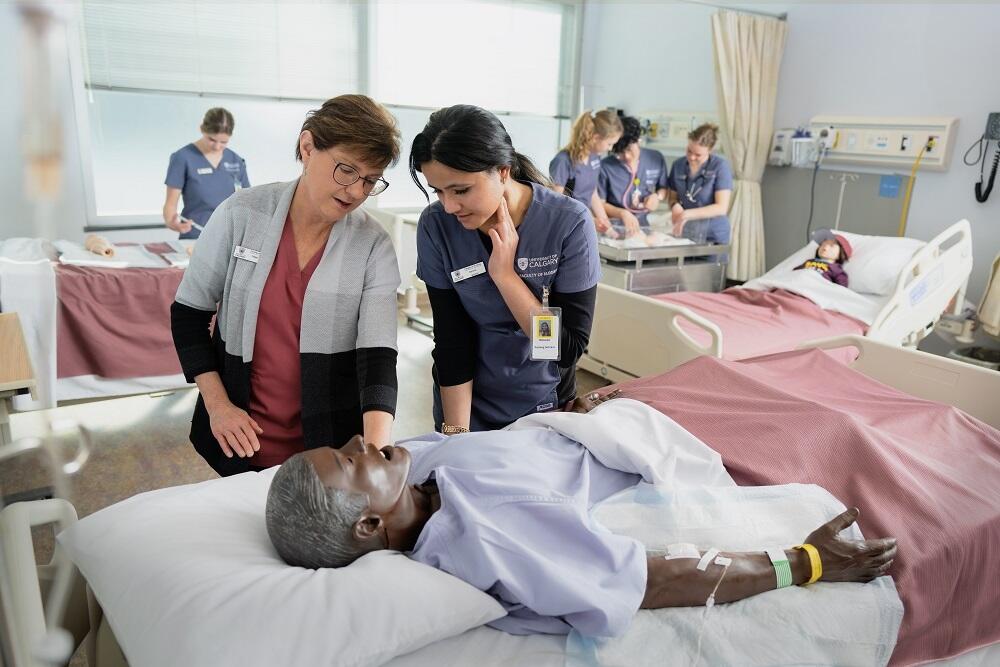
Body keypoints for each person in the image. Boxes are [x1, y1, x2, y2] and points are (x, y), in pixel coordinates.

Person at [264, 392, 897, 639]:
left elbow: (509, 445)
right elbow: (652, 579)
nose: (360, 443)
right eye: (351, 462)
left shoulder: (417, 469)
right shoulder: (489, 530)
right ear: (369, 526)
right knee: (856, 427)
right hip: (685, 445)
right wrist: (805, 562)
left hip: (613, 419)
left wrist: (569, 413)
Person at [170, 95, 402, 476]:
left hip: (328, 451)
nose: (356, 191)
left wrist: (376, 459)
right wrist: (219, 405)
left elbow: (377, 359)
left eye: (370, 180)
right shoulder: (241, 213)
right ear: (308, 147)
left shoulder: (372, 245)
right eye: (347, 170)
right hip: (239, 438)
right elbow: (189, 315)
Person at [410, 105, 601, 433]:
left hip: (543, 404)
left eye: (460, 190)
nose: (448, 205)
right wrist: (456, 438)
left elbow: (563, 349)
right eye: (438, 191)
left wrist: (506, 277)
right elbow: (452, 340)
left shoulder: (568, 223)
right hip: (464, 404)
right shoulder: (436, 226)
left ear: (502, 171)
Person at [163, 108, 250, 239]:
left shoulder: (236, 160)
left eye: (223, 142)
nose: (217, 146)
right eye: (212, 139)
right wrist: (172, 223)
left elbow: (248, 201)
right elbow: (170, 204)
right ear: (202, 129)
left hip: (229, 238)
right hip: (196, 236)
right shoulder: (183, 158)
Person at [549, 110, 623, 238]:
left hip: (584, 222)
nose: (610, 149)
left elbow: (592, 193)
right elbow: (555, 203)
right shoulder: (563, 161)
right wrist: (588, 219)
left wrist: (608, 228)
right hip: (566, 226)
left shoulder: (595, 158)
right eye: (609, 144)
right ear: (595, 138)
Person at [597, 116, 669, 237]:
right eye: (620, 153)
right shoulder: (605, 167)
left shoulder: (655, 159)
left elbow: (664, 189)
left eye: (629, 149)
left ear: (639, 140)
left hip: (644, 228)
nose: (627, 156)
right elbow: (599, 203)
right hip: (615, 229)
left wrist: (658, 197)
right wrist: (622, 213)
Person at [666, 123, 734, 246]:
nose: (691, 157)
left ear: (710, 150)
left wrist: (687, 214)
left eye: (698, 155)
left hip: (713, 234)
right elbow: (672, 197)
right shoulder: (678, 166)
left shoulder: (720, 167)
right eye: (689, 151)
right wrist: (675, 205)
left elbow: (721, 207)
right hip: (687, 230)